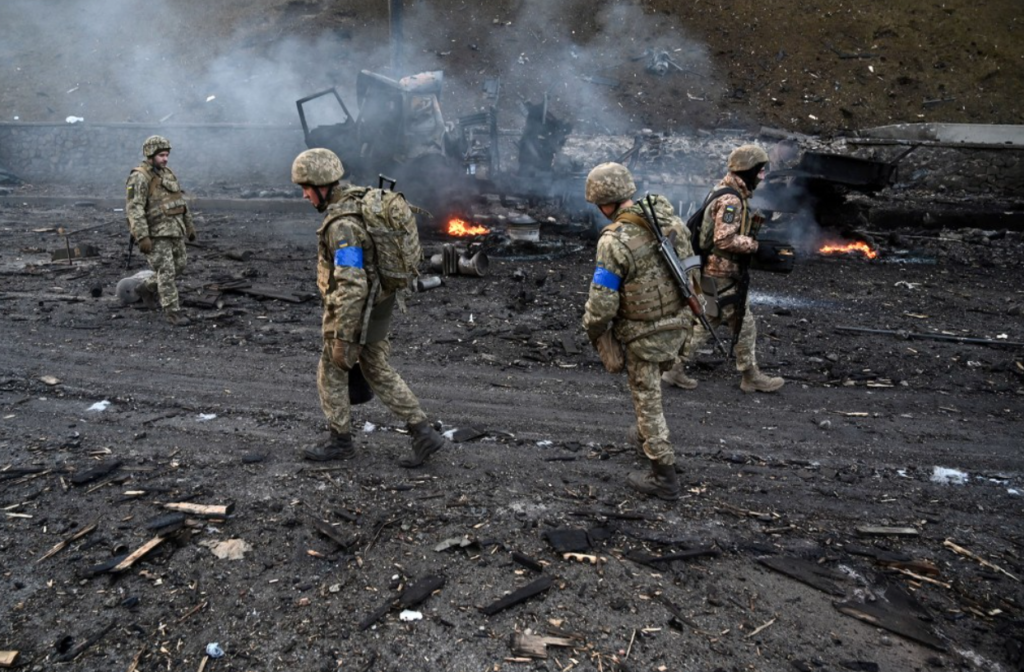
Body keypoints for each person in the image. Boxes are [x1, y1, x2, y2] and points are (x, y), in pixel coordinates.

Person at [290, 147, 449, 467]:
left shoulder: (342, 227)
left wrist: (344, 336)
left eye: (307, 188)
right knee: (376, 368)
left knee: (332, 369)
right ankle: (422, 431)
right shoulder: (357, 199)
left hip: (356, 309)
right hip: (378, 302)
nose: (305, 196)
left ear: (323, 186)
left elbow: (351, 284)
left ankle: (340, 441)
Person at [582, 162, 692, 501]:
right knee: (653, 389)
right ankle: (647, 436)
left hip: (644, 336)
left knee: (648, 400)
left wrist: (593, 330)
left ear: (605, 203)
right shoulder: (671, 222)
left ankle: (664, 475)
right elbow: (692, 272)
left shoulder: (613, 241)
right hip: (680, 325)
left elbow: (602, 304)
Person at [661, 144, 785, 393]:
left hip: (711, 270)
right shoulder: (731, 200)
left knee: (709, 319)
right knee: (743, 322)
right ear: (748, 170)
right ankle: (750, 376)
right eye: (760, 171)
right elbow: (723, 239)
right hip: (721, 273)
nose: (762, 177)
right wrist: (756, 247)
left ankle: (673, 368)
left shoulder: (722, 189)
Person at [125, 135, 196, 327]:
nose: (165, 159)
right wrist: (142, 236)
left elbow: (179, 201)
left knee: (179, 266)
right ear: (150, 154)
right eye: (161, 155)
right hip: (156, 234)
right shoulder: (139, 177)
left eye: (167, 155)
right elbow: (135, 209)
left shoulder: (168, 173)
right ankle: (173, 313)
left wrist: (189, 225)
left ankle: (146, 287)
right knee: (166, 272)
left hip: (175, 230)